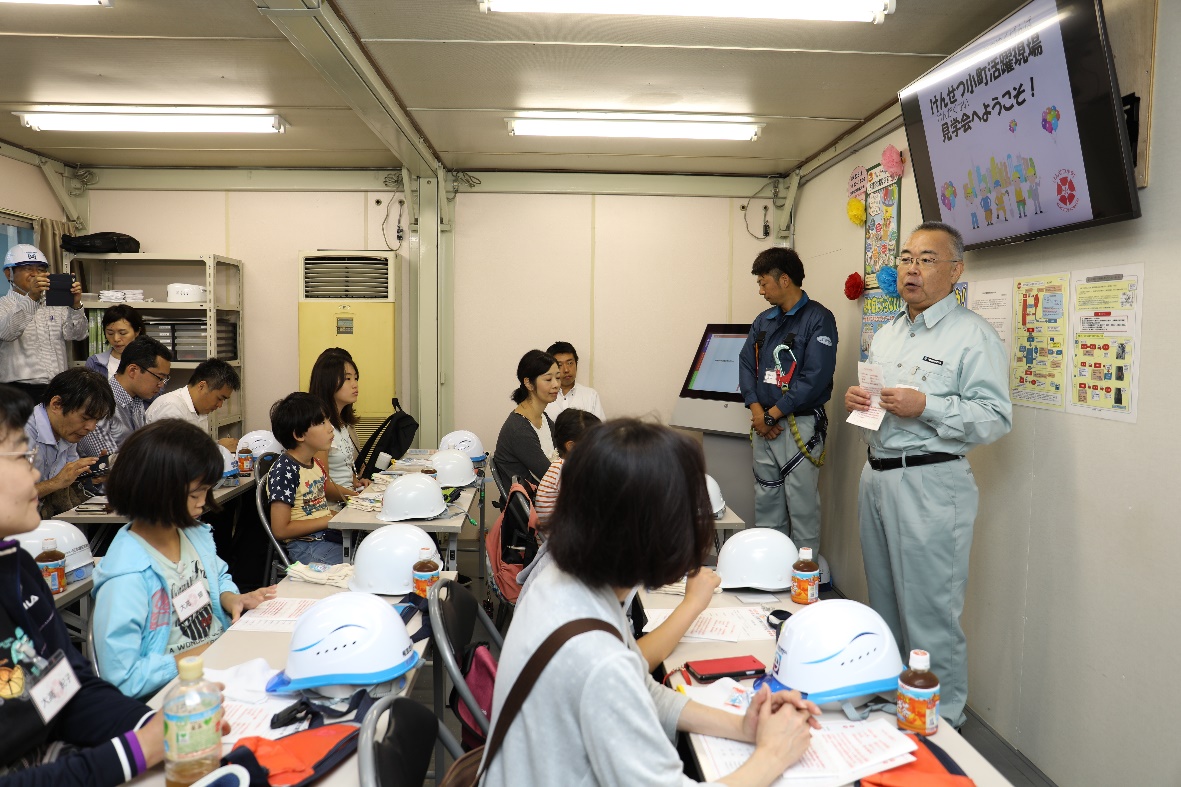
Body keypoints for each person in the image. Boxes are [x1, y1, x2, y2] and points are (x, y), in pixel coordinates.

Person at [482, 419, 819, 786]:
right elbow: (618, 679)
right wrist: (773, 754)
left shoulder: (564, 575)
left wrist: (743, 726)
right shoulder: (597, 656)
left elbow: (640, 688)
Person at [844, 221, 1012, 728]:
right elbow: (877, 405)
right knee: (886, 602)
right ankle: (897, 707)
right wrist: (862, 405)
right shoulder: (890, 332)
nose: (911, 268)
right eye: (906, 257)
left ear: (955, 270)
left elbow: (995, 417)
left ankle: (943, 725)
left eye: (926, 259)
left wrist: (929, 405)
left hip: (932, 483)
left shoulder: (972, 336)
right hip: (877, 476)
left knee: (930, 614)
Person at [0, 383, 164, 786]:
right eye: (22, 456)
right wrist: (136, 750)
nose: (36, 473)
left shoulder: (16, 565)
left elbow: (70, 686)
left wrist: (155, 723)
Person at [92, 420, 276, 700]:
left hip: (218, 665)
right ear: (155, 489)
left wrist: (230, 599)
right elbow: (123, 678)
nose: (203, 502)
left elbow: (217, 575)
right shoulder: (126, 576)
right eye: (195, 494)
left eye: (206, 491)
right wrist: (195, 657)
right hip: (170, 695)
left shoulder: (192, 534)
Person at [737, 247, 837, 557]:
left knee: (802, 505)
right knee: (766, 503)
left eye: (764, 282)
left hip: (799, 425)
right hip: (764, 424)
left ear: (784, 279)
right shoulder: (764, 321)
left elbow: (814, 378)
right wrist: (758, 412)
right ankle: (771, 574)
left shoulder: (818, 319)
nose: (761, 290)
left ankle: (803, 582)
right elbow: (745, 364)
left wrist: (773, 415)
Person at [267, 392, 347, 565]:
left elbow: (319, 510)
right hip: (307, 547)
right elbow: (280, 530)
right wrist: (328, 520)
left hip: (326, 537)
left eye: (327, 420)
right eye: (321, 422)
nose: (330, 427)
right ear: (299, 435)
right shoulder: (285, 470)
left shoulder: (314, 464)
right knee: (364, 563)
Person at [0, 245, 87, 403]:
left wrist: (76, 305)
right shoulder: (3, 305)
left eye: (40, 269)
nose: (35, 274)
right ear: (9, 274)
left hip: (58, 388)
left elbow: (77, 335)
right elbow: (7, 333)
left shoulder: (55, 302)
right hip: (17, 391)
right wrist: (32, 298)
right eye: (28, 268)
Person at [24, 367, 115, 517]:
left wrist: (89, 477)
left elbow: (66, 482)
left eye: (96, 420)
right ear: (56, 404)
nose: (91, 427)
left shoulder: (66, 432)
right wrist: (56, 482)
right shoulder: (18, 434)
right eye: (85, 418)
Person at [78, 335, 172, 460]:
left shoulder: (137, 400)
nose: (161, 385)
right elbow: (108, 464)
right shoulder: (99, 402)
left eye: (165, 379)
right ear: (133, 370)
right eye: (159, 377)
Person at [493, 349, 560, 489]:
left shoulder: (543, 418)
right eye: (548, 379)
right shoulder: (519, 429)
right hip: (533, 505)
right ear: (528, 383)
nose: (556, 385)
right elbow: (551, 477)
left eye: (558, 378)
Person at [307, 349, 370, 498]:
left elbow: (342, 472)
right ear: (327, 382)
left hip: (347, 499)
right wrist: (357, 497)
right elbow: (323, 484)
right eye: (347, 379)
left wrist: (357, 483)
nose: (355, 385)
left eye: (356, 378)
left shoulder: (342, 424)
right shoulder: (319, 427)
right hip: (333, 507)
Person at [145, 356, 240, 450]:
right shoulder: (171, 407)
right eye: (219, 398)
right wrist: (218, 447)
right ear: (202, 386)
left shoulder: (200, 409)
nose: (220, 405)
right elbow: (174, 455)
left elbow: (193, 447)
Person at [544, 341, 605, 421]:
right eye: (559, 365)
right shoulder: (542, 396)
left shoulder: (591, 396)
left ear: (576, 364)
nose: (566, 370)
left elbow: (600, 430)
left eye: (570, 363)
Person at [85, 304, 145, 380]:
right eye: (110, 333)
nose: (116, 339)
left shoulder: (151, 362)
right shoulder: (94, 363)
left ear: (137, 332)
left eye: (122, 333)